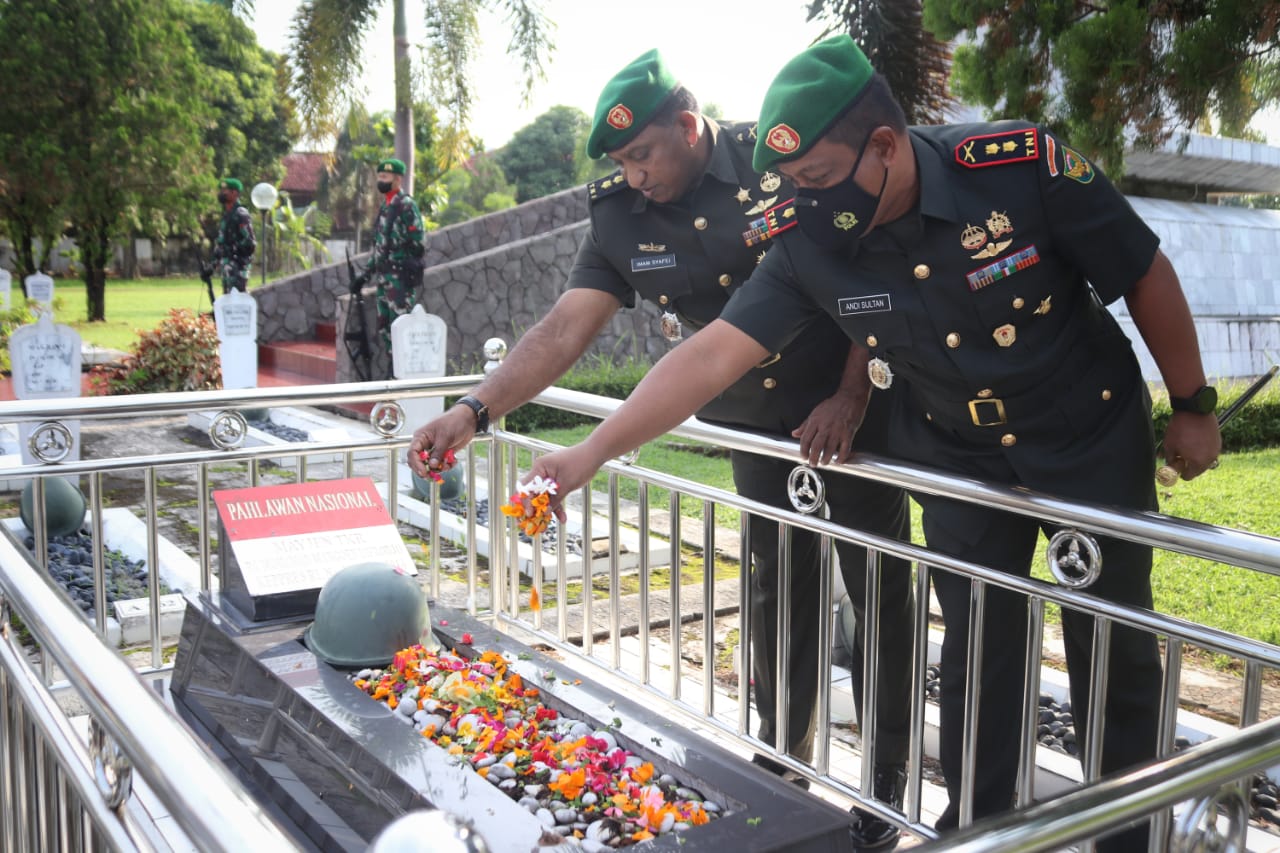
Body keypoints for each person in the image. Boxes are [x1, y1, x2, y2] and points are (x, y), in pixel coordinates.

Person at [520, 34, 1222, 852]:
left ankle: (1126, 838)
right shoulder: (809, 238)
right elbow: (709, 355)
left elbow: (1142, 270)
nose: (802, 201)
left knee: (1111, 649)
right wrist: (589, 452)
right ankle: (977, 832)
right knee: (978, 650)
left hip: (1086, 437)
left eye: (816, 178)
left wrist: (1192, 405)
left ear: (883, 148)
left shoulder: (1015, 167)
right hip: (958, 454)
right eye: (790, 184)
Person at [408, 49, 915, 850]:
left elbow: (866, 270)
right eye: (621, 162)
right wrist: (473, 410)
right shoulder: (619, 215)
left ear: (687, 126)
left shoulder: (774, 157)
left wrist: (853, 392)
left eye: (642, 154)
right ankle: (782, 762)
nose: (634, 175)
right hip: (757, 429)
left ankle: (887, 788)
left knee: (881, 591)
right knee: (779, 594)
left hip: (849, 424)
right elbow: (563, 329)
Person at [351, 157, 426, 372]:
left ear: (397, 179)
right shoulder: (386, 206)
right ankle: (393, 371)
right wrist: (365, 275)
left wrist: (407, 262)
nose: (381, 180)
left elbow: (418, 242)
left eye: (385, 177)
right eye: (380, 176)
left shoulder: (405, 205)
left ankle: (402, 373)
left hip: (400, 279)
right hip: (385, 279)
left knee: (401, 325)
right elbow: (380, 247)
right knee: (386, 328)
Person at [212, 178, 255, 294]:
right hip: (226, 266)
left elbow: (250, 242)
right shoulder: (226, 216)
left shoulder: (241, 214)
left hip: (238, 267)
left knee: (238, 300)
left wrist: (233, 250)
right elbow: (221, 241)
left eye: (225, 190)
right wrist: (214, 263)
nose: (221, 193)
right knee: (227, 301)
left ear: (234, 193)